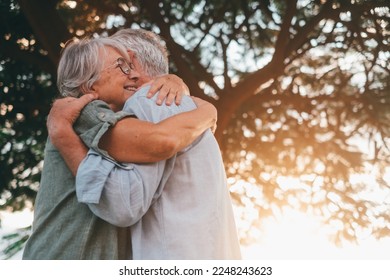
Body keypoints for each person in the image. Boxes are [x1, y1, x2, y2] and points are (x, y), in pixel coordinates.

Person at [50, 29, 242, 259]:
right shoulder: (186, 107)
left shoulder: (150, 101)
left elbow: (123, 205)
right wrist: (209, 110)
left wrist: (64, 138)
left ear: (132, 60)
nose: (126, 72)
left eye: (123, 62)